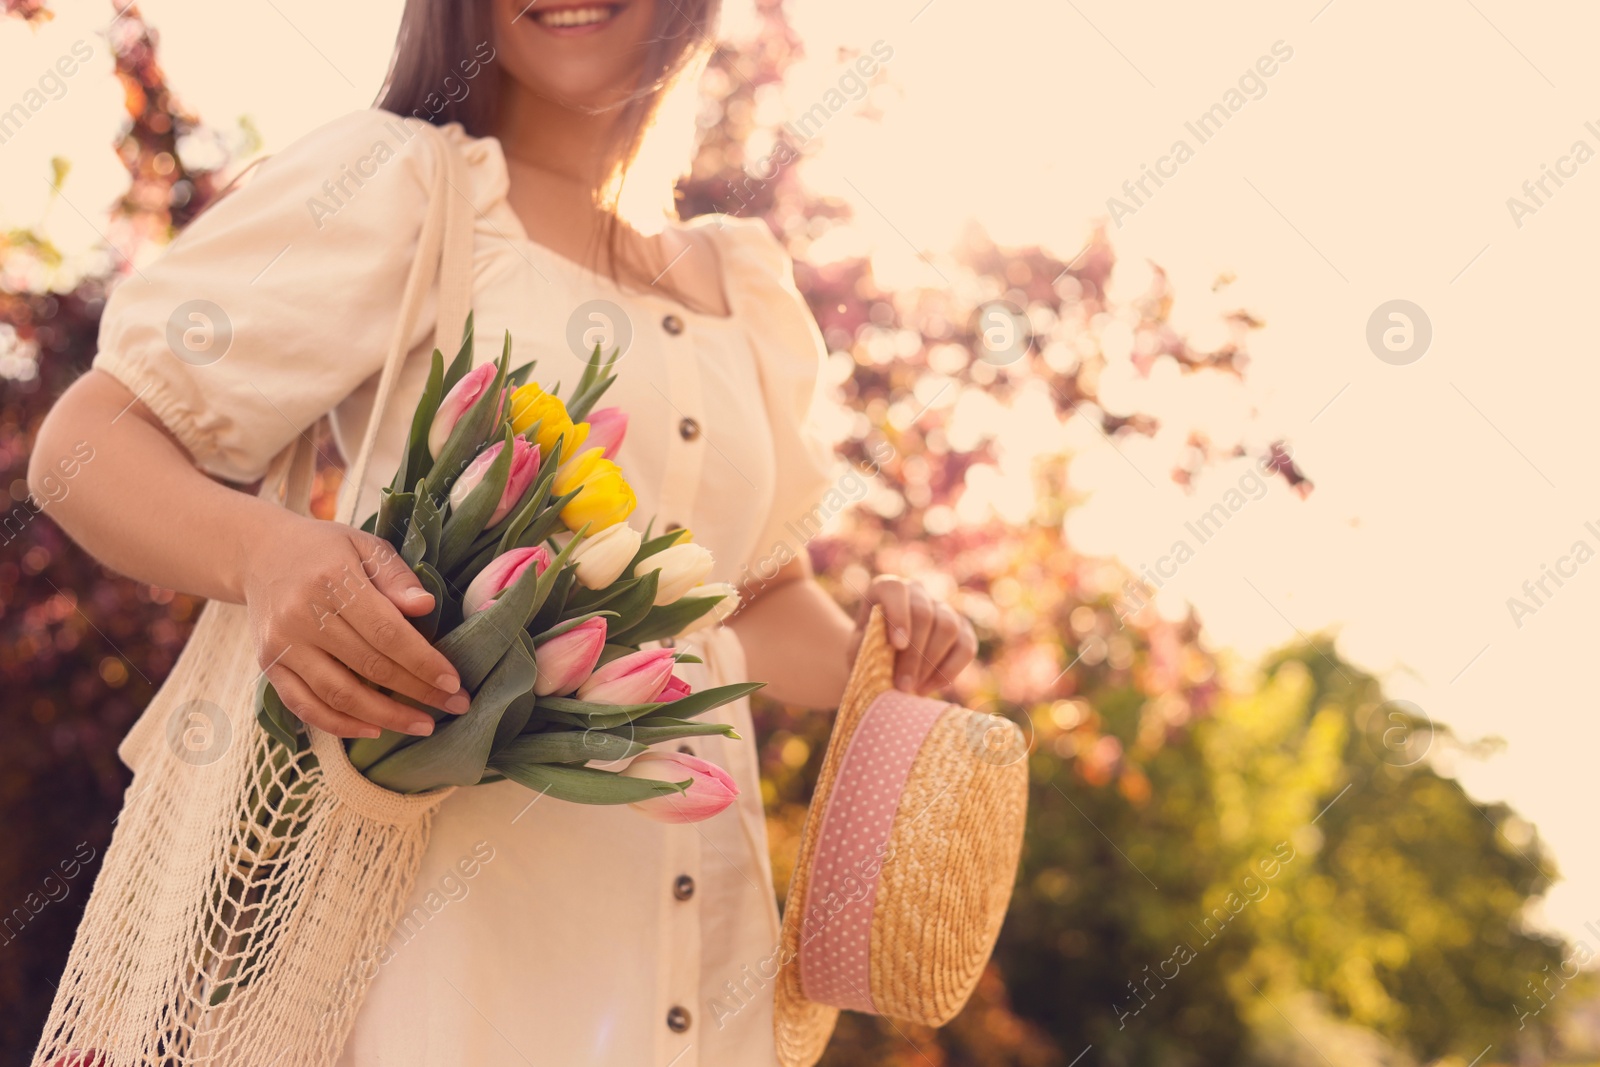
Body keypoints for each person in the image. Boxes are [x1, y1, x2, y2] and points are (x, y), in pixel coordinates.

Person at [28, 0, 977, 1063]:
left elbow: (745, 600)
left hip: (700, 962)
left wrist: (879, 654)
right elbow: (88, 442)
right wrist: (268, 554)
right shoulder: (405, 189)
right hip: (440, 956)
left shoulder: (741, 284)